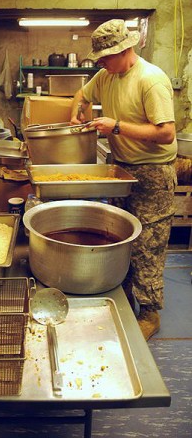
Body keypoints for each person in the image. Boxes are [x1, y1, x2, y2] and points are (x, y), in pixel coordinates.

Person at [71, 19, 177, 341]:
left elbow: (166, 133)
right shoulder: (106, 76)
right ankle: (124, 298)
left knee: (147, 246)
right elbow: (81, 93)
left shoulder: (150, 80)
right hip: (121, 169)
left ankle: (149, 313)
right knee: (119, 238)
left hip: (152, 174)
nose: (100, 63)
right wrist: (78, 112)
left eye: (105, 56)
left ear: (125, 50)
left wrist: (116, 126)